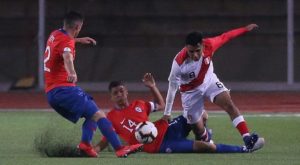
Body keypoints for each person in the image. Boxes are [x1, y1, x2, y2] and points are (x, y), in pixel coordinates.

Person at [43, 11, 142, 158]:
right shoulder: (67, 42)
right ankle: (120, 148)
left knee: (91, 114)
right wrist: (72, 72)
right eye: (80, 29)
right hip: (63, 89)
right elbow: (67, 57)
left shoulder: (55, 34)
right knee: (99, 115)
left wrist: (79, 40)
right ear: (77, 26)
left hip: (52, 93)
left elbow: (63, 44)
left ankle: (85, 145)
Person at [94, 73, 264, 154]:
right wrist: (95, 150)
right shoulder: (110, 117)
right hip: (158, 146)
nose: (119, 95)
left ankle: (203, 134)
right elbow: (107, 137)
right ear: (111, 97)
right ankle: (244, 149)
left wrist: (152, 87)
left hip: (167, 128)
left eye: (121, 91)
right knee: (207, 147)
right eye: (115, 93)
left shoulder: (139, 105)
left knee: (200, 114)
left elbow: (160, 105)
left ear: (126, 92)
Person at [162, 24, 265, 149]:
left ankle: (247, 138)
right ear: (186, 48)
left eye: (197, 51)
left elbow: (226, 36)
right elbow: (172, 88)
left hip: (209, 80)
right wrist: (167, 113)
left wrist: (244, 29)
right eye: (191, 51)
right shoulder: (178, 63)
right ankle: (205, 136)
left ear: (203, 46)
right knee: (198, 130)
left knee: (229, 104)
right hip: (190, 93)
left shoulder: (210, 44)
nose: (194, 55)